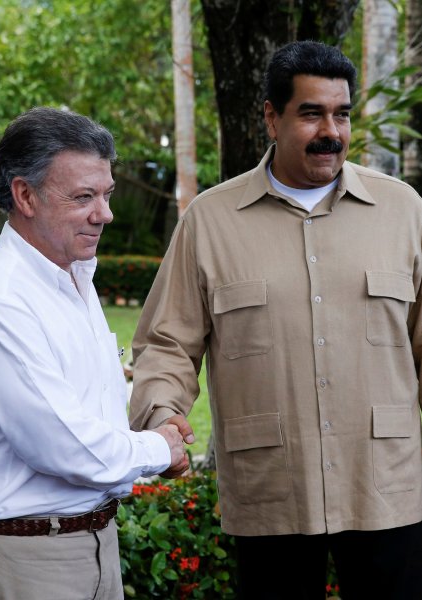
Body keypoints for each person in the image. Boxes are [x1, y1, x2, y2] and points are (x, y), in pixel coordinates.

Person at [129, 41, 422, 600]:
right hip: (272, 492)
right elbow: (167, 342)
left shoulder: (404, 211)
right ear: (271, 116)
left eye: (342, 114)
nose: (330, 130)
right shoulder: (210, 222)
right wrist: (162, 419)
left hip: (386, 485)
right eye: (311, 113)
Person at [0, 107, 193, 600]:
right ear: (24, 196)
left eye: (107, 194)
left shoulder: (73, 275)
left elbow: (85, 411)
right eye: (83, 197)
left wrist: (149, 427)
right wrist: (159, 449)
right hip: (27, 562)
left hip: (92, 544)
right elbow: (59, 443)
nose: (105, 213)